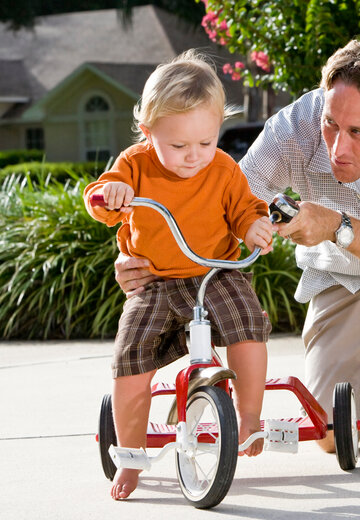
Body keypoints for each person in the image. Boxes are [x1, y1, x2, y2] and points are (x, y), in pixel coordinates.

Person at [115, 40, 360, 463]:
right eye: (331, 124)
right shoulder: (294, 127)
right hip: (348, 272)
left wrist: (336, 226)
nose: (337, 148)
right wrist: (144, 255)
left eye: (358, 132)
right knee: (329, 434)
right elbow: (222, 205)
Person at [84, 50, 273, 500]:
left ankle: (248, 419)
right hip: (153, 281)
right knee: (130, 359)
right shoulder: (135, 164)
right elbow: (100, 200)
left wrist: (253, 226)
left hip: (216, 273)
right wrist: (113, 194)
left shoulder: (223, 169)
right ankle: (129, 457)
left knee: (248, 326)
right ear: (148, 134)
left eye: (206, 142)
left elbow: (245, 208)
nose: (194, 157)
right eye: (178, 146)